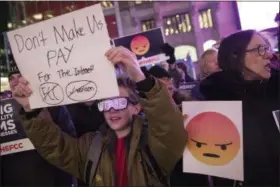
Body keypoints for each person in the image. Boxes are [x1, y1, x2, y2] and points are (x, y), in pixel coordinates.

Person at [12, 47, 187, 186]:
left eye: (118, 102)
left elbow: (169, 126)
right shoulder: (91, 146)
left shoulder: (154, 143)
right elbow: (56, 148)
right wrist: (30, 107)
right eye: (106, 104)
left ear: (136, 107)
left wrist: (140, 77)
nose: (111, 110)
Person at [199, 30, 280, 186]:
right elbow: (214, 168)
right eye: (259, 49)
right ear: (235, 56)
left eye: (268, 49)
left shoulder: (276, 89)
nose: (269, 55)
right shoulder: (212, 103)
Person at [1, 69, 77, 187]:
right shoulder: (3, 110)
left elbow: (69, 144)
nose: (15, 82)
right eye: (11, 78)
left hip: (50, 177)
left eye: (19, 76)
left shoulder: (53, 105)